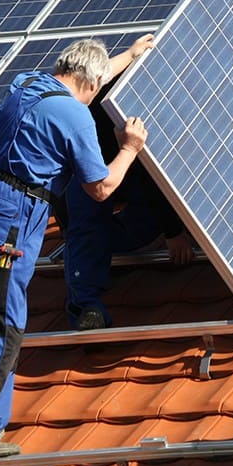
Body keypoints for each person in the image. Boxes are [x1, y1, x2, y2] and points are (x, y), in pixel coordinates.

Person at [0, 35, 154, 460]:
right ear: (91, 86)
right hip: (6, 222)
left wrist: (129, 56)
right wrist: (130, 148)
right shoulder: (76, 116)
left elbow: (88, 76)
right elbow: (101, 187)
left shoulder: (26, 84)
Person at [59, 72, 195, 330]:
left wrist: (173, 229)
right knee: (84, 222)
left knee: (133, 224)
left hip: (132, 172)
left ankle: (103, 244)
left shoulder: (150, 97)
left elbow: (151, 171)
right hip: (94, 175)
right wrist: (173, 232)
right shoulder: (82, 117)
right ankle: (87, 307)